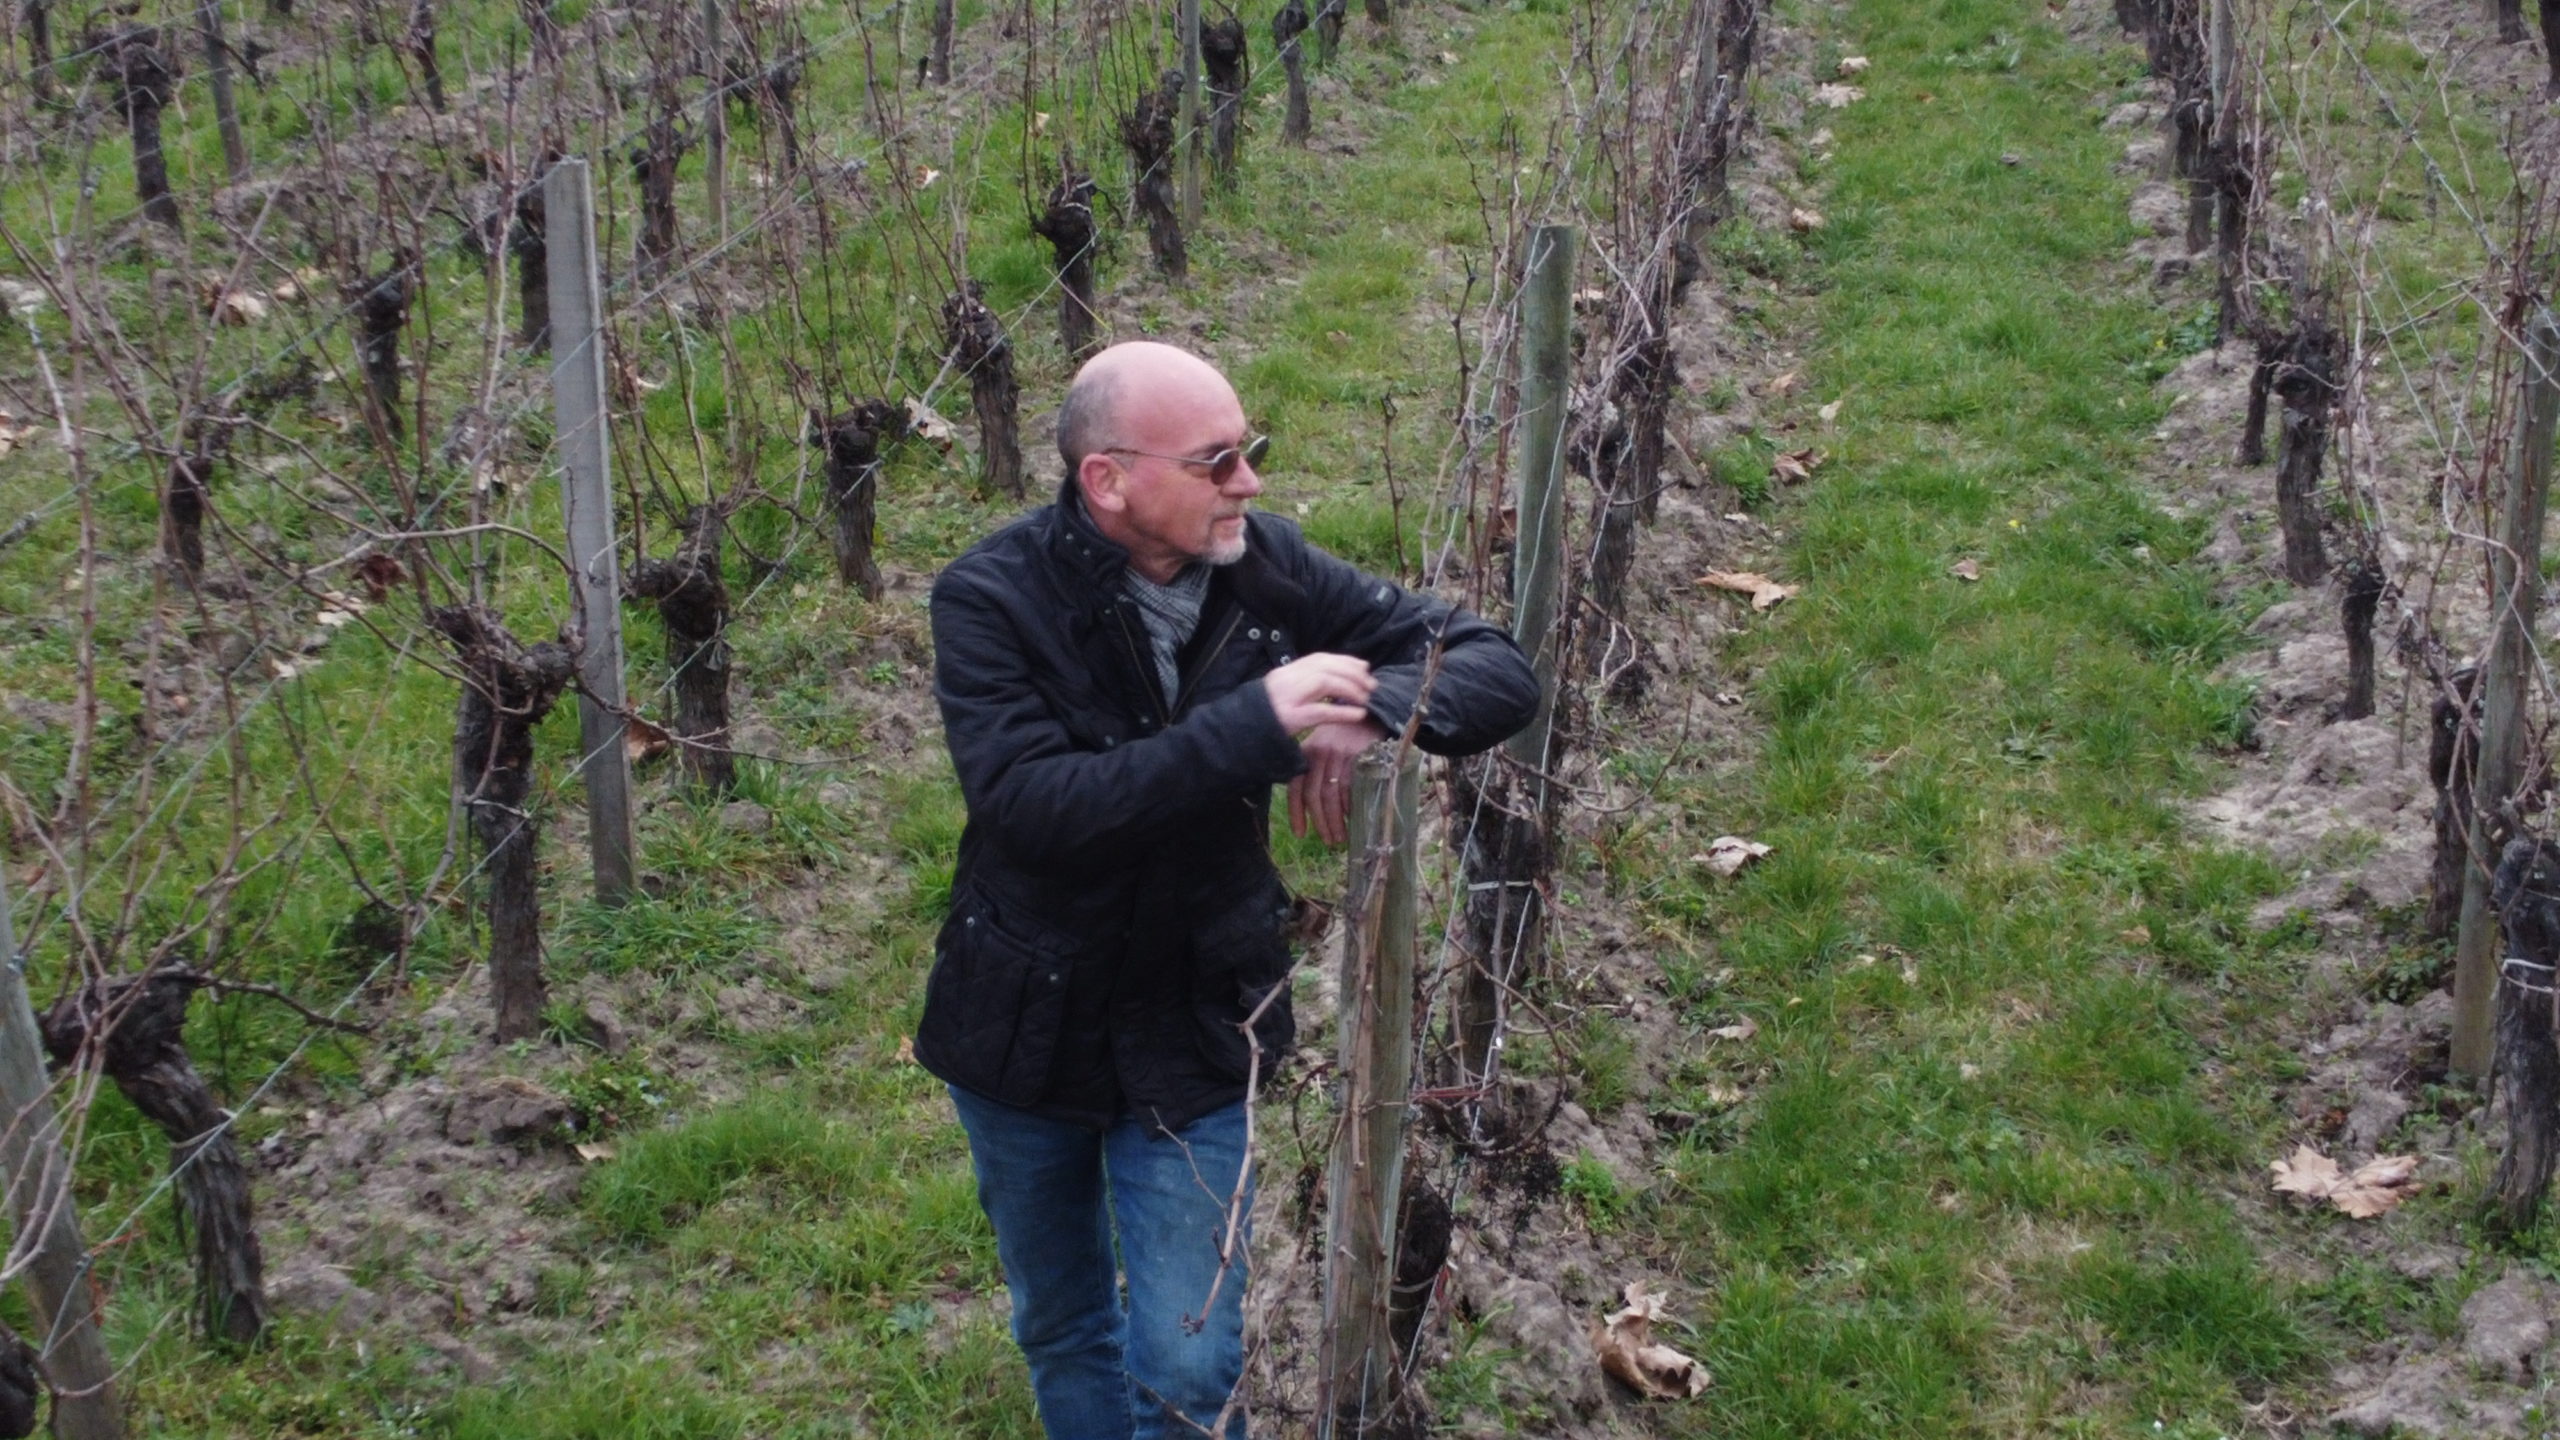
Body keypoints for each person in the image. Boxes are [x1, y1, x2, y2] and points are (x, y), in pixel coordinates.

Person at [916, 341, 1537, 1439]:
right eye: (1217, 462)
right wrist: (1258, 727)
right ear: (1108, 480)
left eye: (1251, 451)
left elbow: (1490, 662)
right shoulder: (990, 598)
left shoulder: (1266, 570)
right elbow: (1037, 809)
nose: (1249, 481)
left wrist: (1374, 703)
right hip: (1022, 1022)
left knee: (1188, 1370)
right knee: (1062, 1325)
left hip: (1198, 1018)